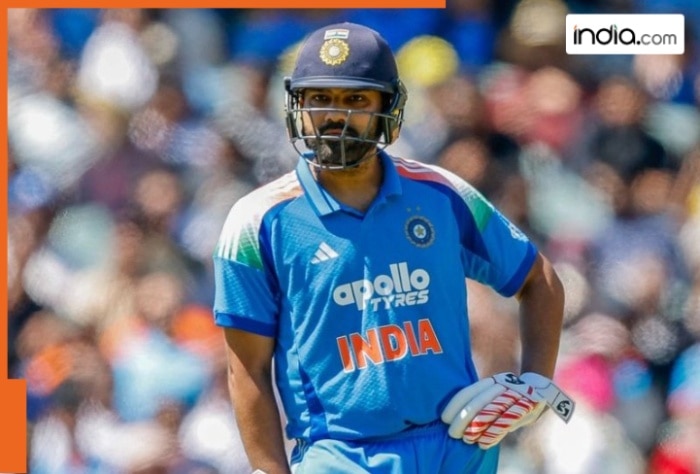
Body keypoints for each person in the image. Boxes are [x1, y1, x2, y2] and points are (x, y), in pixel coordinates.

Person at [212, 22, 575, 474]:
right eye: (319, 97)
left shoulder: (441, 194)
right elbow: (246, 368)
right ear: (297, 106)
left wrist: (535, 383)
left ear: (390, 107)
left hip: (458, 447)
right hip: (340, 457)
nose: (335, 115)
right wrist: (270, 470)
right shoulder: (257, 223)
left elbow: (539, 281)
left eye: (356, 100)